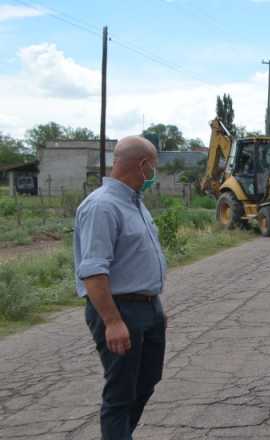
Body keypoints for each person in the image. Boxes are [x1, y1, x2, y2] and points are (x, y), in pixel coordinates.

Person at [74, 136, 167, 440]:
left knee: (146, 382)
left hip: (147, 308)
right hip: (119, 309)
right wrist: (113, 321)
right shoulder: (102, 206)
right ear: (142, 165)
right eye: (153, 166)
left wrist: (154, 308)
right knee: (121, 393)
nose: (154, 172)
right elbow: (93, 270)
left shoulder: (134, 203)